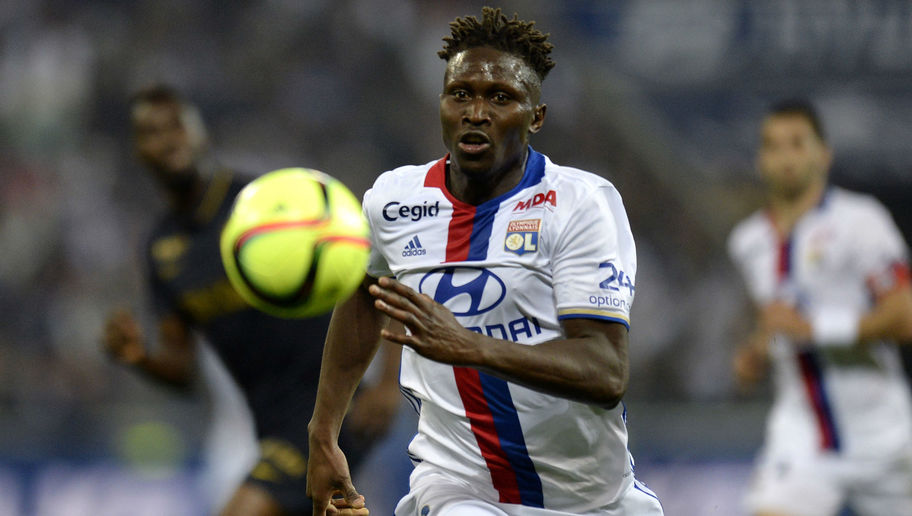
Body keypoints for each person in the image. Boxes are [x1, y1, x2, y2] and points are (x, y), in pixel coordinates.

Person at [306, 8, 663, 516]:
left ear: (536, 117)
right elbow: (365, 296)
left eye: (500, 97)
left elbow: (605, 371)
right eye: (460, 94)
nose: (476, 112)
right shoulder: (392, 200)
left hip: (592, 496)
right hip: (459, 486)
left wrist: (471, 347)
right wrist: (324, 432)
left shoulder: (580, 203)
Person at [103, 84, 401, 516]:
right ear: (137, 150)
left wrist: (389, 382)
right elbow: (182, 369)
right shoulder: (161, 250)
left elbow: (372, 268)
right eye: (152, 132)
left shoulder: (263, 203)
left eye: (177, 126)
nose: (168, 140)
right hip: (269, 425)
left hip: (332, 409)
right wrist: (138, 358)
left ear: (200, 133)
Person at [729, 99, 912, 516]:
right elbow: (771, 324)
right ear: (760, 159)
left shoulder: (861, 221)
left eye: (797, 143)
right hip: (801, 434)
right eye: (773, 146)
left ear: (823, 155)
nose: (785, 157)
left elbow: (905, 316)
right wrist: (753, 355)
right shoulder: (747, 242)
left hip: (883, 435)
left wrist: (816, 328)